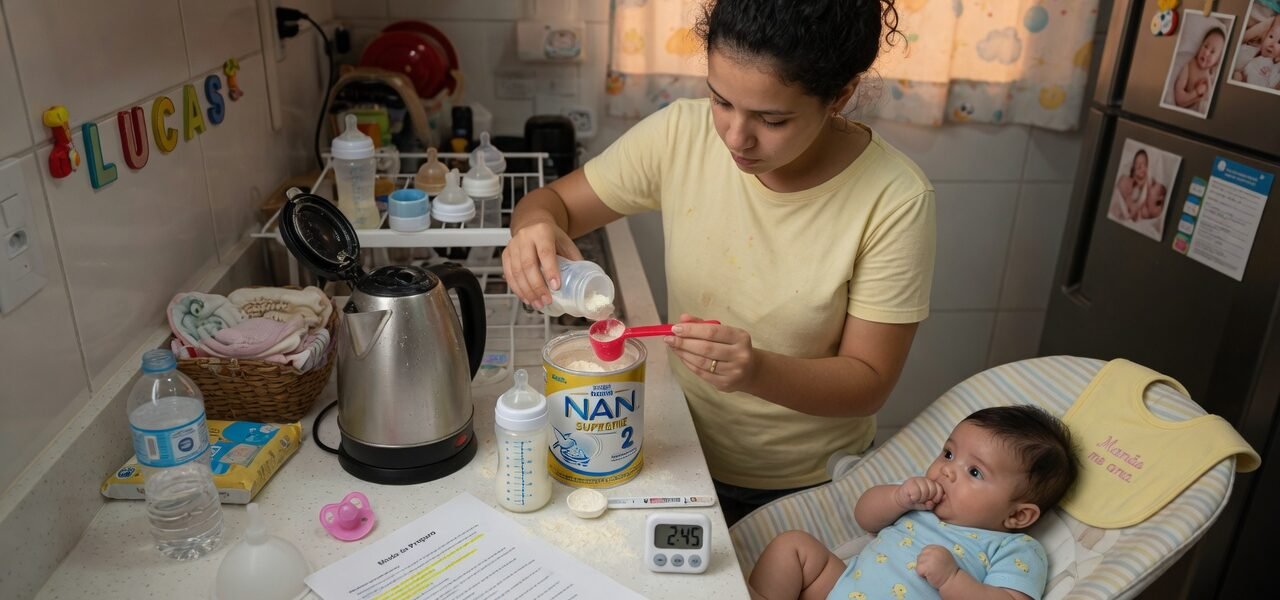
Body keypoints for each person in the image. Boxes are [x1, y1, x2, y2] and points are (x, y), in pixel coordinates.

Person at [502, 0, 935, 525]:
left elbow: (869, 381)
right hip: (676, 451)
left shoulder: (894, 198)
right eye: (721, 101)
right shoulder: (679, 135)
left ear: (839, 96)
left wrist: (757, 371)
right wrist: (532, 229)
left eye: (772, 119)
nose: (735, 137)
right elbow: (554, 204)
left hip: (804, 486)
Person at [747, 405, 1079, 600]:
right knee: (793, 546)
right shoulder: (920, 497)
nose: (947, 470)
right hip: (845, 586)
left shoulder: (1016, 548)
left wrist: (952, 581)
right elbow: (864, 516)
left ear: (1018, 515)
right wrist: (897, 496)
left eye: (975, 472)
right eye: (948, 453)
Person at [1171, 26, 1226, 110]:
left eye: (1212, 51)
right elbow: (1179, 99)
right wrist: (1196, 93)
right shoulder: (1189, 66)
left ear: (1218, 60)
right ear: (1200, 45)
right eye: (1205, 46)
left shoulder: (1213, 75)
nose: (1206, 52)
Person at [1231, 15, 1280, 88]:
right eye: (1271, 36)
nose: (1272, 44)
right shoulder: (1251, 50)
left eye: (1279, 42)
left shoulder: (1277, 67)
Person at [1116, 149, 1149, 219]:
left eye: (1145, 164)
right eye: (1138, 165)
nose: (1142, 168)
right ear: (1133, 167)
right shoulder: (1128, 179)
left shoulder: (1146, 181)